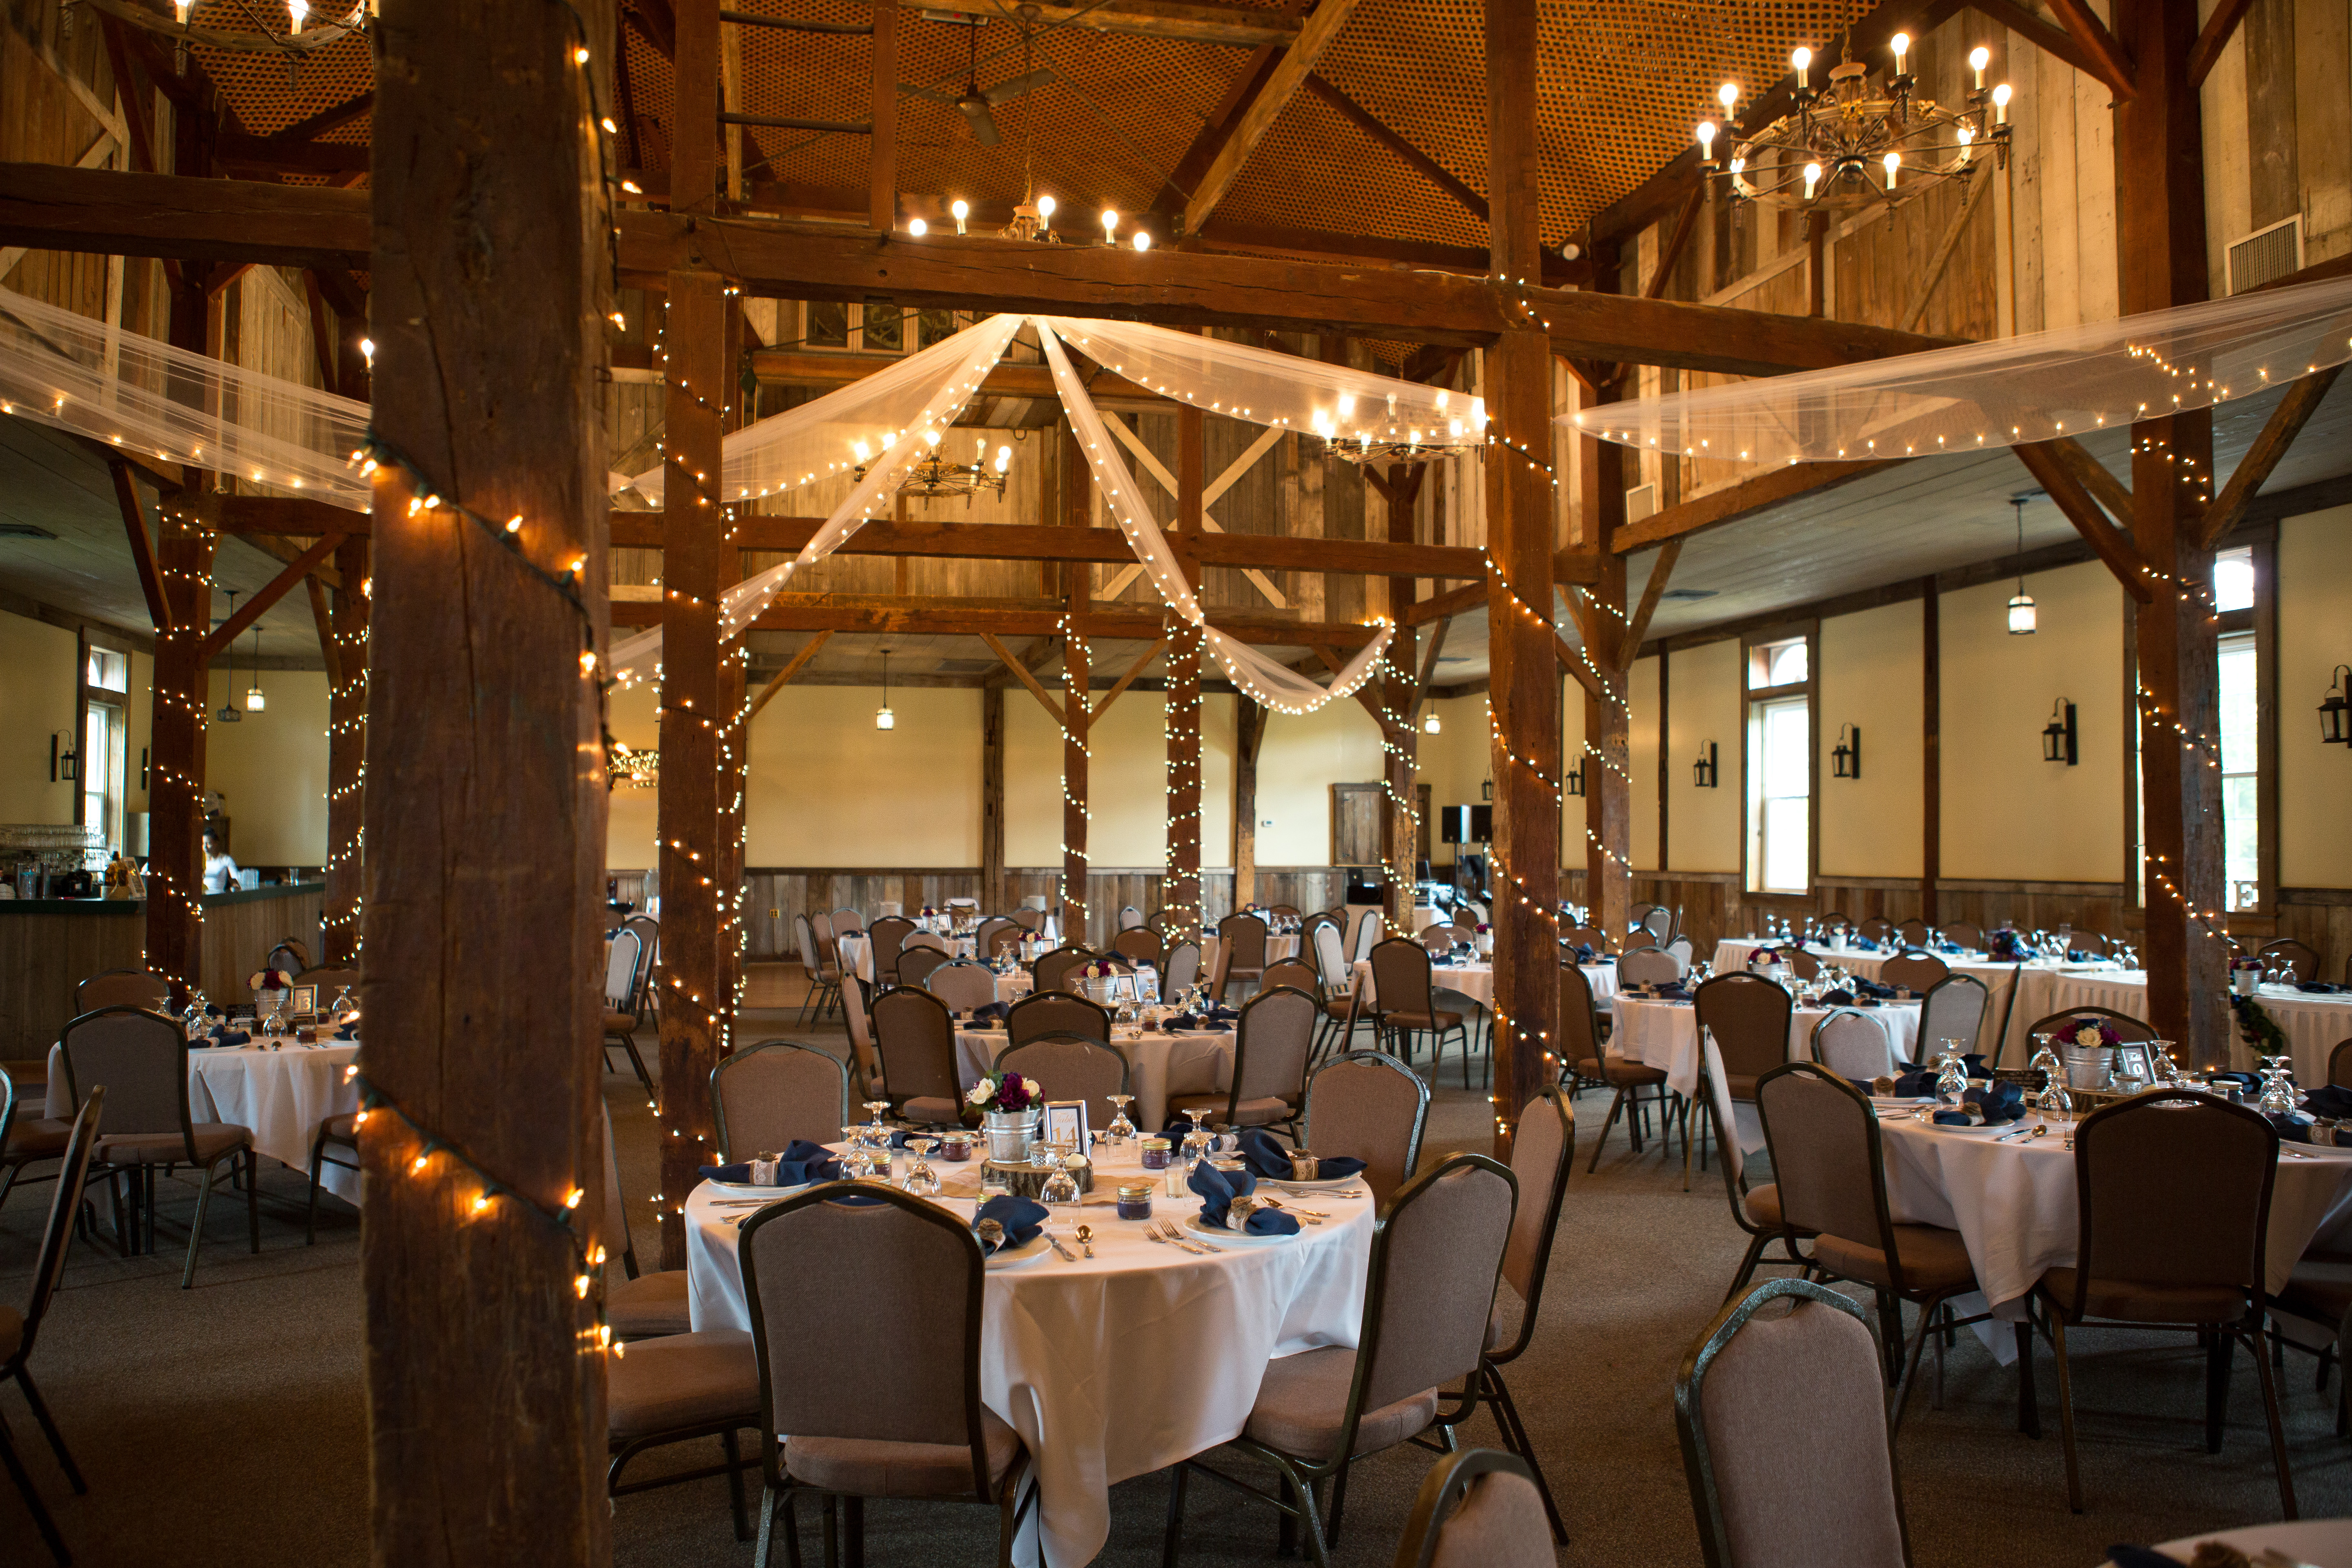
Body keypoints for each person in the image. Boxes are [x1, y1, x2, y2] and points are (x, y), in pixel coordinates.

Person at [202, 830, 241, 894]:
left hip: (218, 896)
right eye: (203, 844)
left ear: (216, 843)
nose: (205, 847)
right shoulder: (201, 860)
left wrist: (235, 886)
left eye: (208, 844)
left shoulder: (226, 859)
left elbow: (236, 879)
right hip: (202, 896)